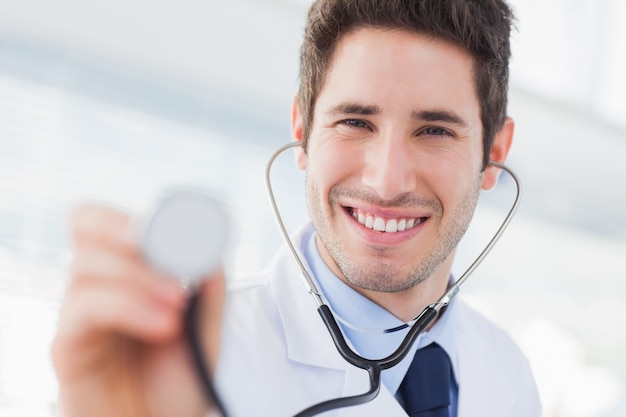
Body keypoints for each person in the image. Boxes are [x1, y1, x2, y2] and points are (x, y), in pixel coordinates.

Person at [52, 0, 542, 416]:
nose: (387, 181)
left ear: (494, 154)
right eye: (354, 121)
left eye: (434, 130)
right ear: (303, 129)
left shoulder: (509, 374)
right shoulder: (189, 360)